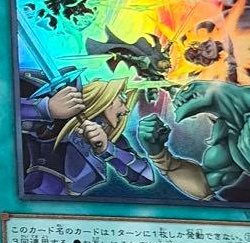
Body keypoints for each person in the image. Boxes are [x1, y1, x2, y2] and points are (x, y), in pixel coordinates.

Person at [20, 74, 153, 197]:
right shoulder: (58, 123)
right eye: (122, 101)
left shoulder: (110, 139)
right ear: (104, 98)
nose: (126, 110)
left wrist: (107, 148)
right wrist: (46, 108)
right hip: (34, 197)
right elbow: (10, 114)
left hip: (66, 207)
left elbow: (145, 177)